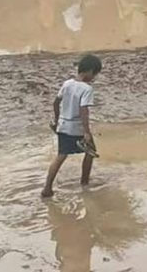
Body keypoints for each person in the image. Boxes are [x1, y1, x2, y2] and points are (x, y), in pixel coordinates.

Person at [42, 53, 102, 198]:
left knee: (61, 156)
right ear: (90, 71)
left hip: (63, 125)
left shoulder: (67, 83)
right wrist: (86, 132)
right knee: (90, 152)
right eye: (95, 74)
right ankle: (84, 182)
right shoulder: (87, 89)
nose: (94, 78)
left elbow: (56, 102)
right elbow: (83, 111)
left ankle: (47, 188)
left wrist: (56, 121)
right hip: (77, 128)